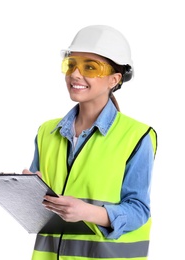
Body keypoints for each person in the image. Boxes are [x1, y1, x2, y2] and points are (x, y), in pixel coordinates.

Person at [22, 25, 157, 260]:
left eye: (90, 68)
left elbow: (138, 210)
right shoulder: (47, 131)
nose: (75, 74)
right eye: (71, 64)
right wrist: (30, 192)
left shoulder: (137, 136)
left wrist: (87, 212)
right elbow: (37, 211)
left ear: (114, 80)